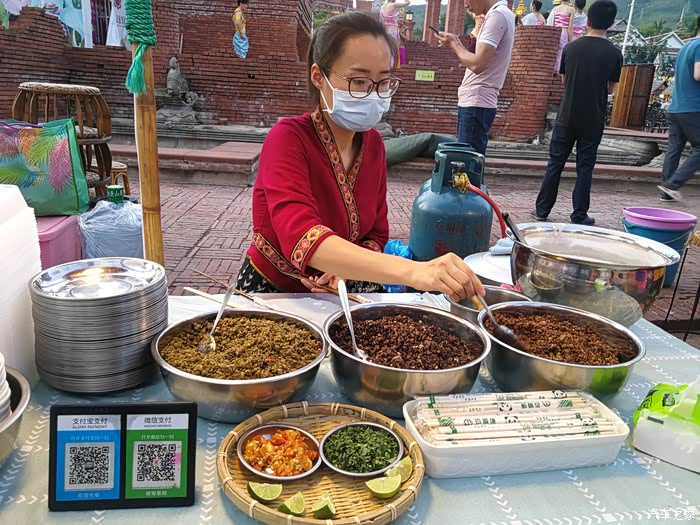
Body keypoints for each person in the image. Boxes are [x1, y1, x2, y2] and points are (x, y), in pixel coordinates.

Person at [235, 12, 484, 302]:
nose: (373, 94)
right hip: (276, 291)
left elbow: (376, 233)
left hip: (342, 289)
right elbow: (300, 235)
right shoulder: (288, 138)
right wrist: (415, 271)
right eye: (358, 81)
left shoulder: (373, 144)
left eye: (383, 82)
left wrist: (345, 269)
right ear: (319, 77)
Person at [531, 0, 622, 225]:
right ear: (611, 23)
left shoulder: (571, 48)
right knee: (585, 167)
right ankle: (579, 214)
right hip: (593, 117)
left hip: (567, 114)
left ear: (587, 21)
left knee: (555, 163)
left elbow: (564, 80)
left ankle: (542, 210)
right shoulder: (614, 53)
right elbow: (610, 89)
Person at [436, 0, 515, 156]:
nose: (465, 5)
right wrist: (456, 43)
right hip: (477, 100)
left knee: (467, 162)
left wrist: (454, 45)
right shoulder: (501, 14)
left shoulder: (497, 16)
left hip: (477, 99)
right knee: (469, 161)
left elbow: (477, 64)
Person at [658, 16, 700, 202]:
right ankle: (672, 185)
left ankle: (666, 192)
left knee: (674, 149)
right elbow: (698, 74)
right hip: (693, 107)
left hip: (676, 107)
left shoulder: (685, 47)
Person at [380, 0, 411, 68]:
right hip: (392, 29)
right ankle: (390, 66)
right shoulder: (394, 5)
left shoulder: (382, 7)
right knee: (393, 49)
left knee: (386, 48)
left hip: (385, 30)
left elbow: (382, 20)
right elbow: (408, 3)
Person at [547, 0, 575, 72]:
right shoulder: (571, 10)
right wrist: (570, 40)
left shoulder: (555, 9)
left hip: (555, 33)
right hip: (564, 32)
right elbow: (570, 27)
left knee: (556, 52)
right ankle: (560, 71)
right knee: (562, 52)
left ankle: (554, 70)